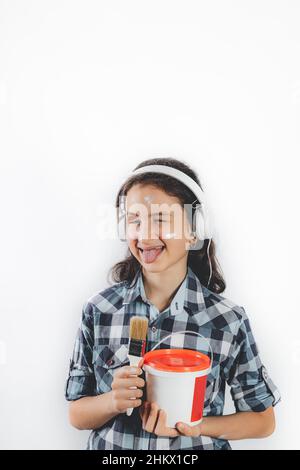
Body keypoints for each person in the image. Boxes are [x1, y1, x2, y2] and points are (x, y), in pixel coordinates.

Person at [65, 157, 281, 450]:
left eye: (160, 219)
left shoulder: (228, 321)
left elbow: (263, 421)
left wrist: (197, 426)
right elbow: (77, 414)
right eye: (134, 219)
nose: (144, 235)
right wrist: (112, 401)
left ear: (195, 229)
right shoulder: (100, 310)